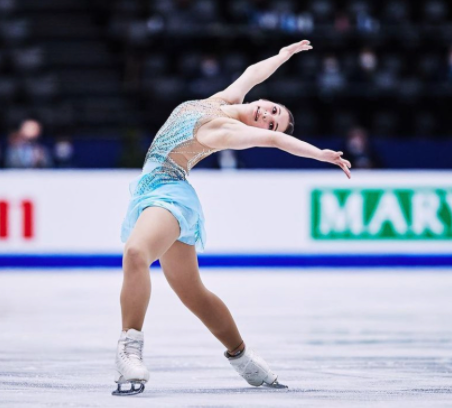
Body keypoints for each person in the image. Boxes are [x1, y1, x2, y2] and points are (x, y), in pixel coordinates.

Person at [114, 40, 351, 396]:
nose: (268, 117)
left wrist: (320, 154)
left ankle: (129, 350)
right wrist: (283, 56)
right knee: (194, 294)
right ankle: (244, 359)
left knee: (136, 254)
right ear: (262, 100)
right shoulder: (223, 101)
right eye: (272, 110)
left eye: (273, 123)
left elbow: (276, 143)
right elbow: (252, 74)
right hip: (154, 192)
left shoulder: (230, 132)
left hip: (170, 195)